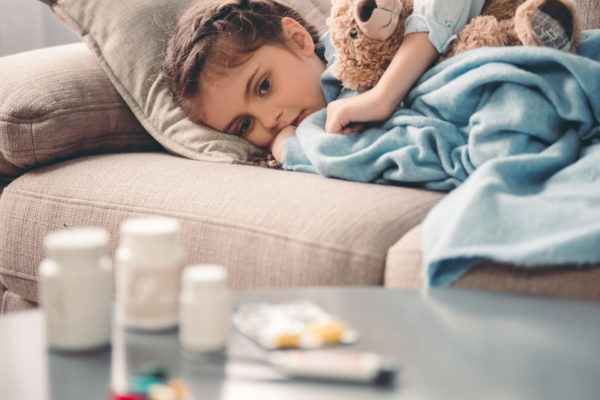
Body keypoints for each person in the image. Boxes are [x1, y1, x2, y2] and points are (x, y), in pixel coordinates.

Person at [163, 0, 485, 160]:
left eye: (263, 86)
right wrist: (287, 148)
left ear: (298, 39)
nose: (269, 120)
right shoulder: (315, 139)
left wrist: (384, 94)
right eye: (245, 125)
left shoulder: (364, 34)